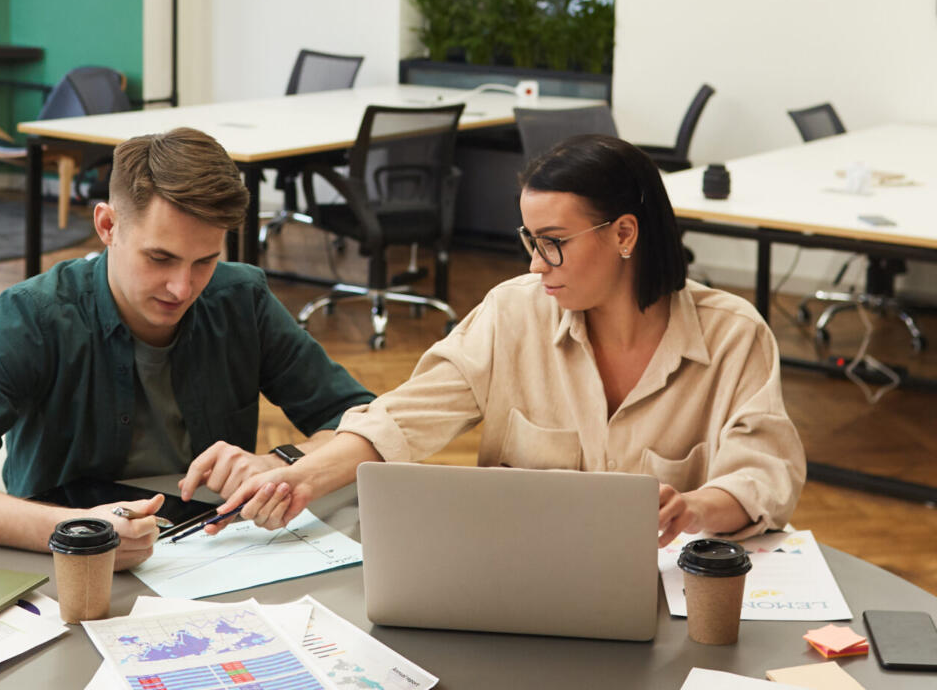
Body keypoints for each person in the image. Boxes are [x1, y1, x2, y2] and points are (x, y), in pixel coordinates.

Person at [189, 133, 805, 546]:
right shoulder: (514, 312)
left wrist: (693, 510)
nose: (536, 265)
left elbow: (764, 475)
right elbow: (403, 418)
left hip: (666, 596)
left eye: (553, 241)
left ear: (624, 233)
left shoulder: (732, 334)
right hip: (519, 585)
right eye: (529, 240)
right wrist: (300, 479)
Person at [0, 126, 375, 568]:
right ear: (107, 226)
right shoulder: (37, 316)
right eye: (160, 258)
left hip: (219, 554)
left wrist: (285, 461)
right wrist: (73, 532)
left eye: (204, 261)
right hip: (71, 565)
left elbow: (366, 421)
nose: (181, 288)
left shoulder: (241, 298)